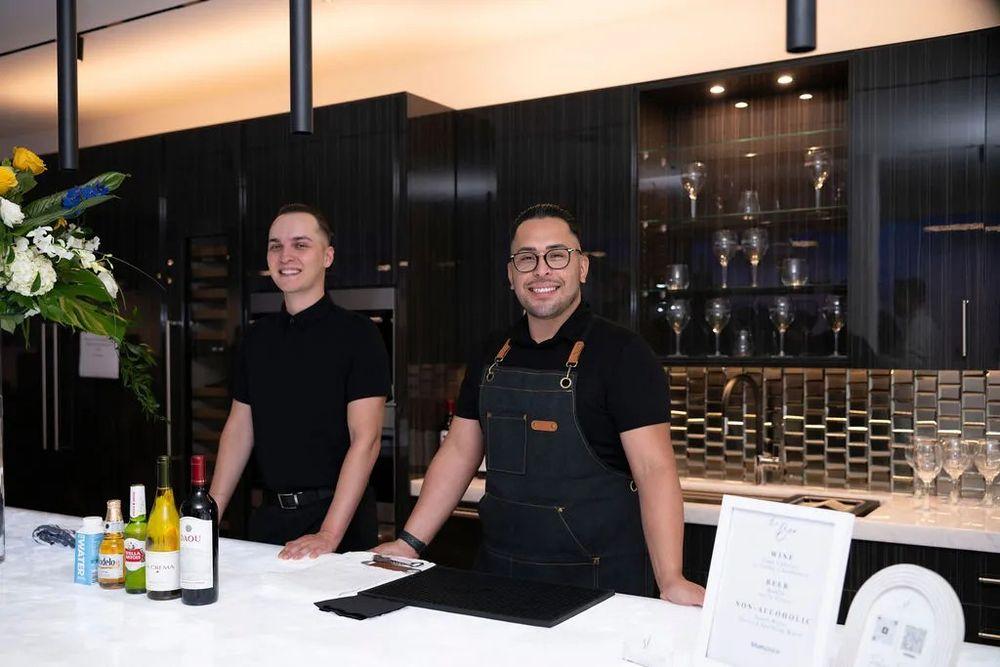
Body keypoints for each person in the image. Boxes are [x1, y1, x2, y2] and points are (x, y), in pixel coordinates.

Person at [377, 203, 704, 605]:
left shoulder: (624, 354)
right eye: (527, 258)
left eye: (556, 255)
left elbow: (655, 470)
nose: (541, 270)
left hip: (600, 585)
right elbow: (459, 451)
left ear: (581, 267)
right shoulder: (491, 353)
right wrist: (408, 544)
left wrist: (671, 579)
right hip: (499, 576)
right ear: (510, 274)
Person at [210, 203, 390, 559]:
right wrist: (208, 517)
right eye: (275, 246)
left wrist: (328, 534)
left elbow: (366, 441)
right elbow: (239, 429)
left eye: (300, 244)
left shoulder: (359, 335)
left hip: (338, 523)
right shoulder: (256, 339)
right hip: (268, 521)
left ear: (327, 256)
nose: (285, 256)